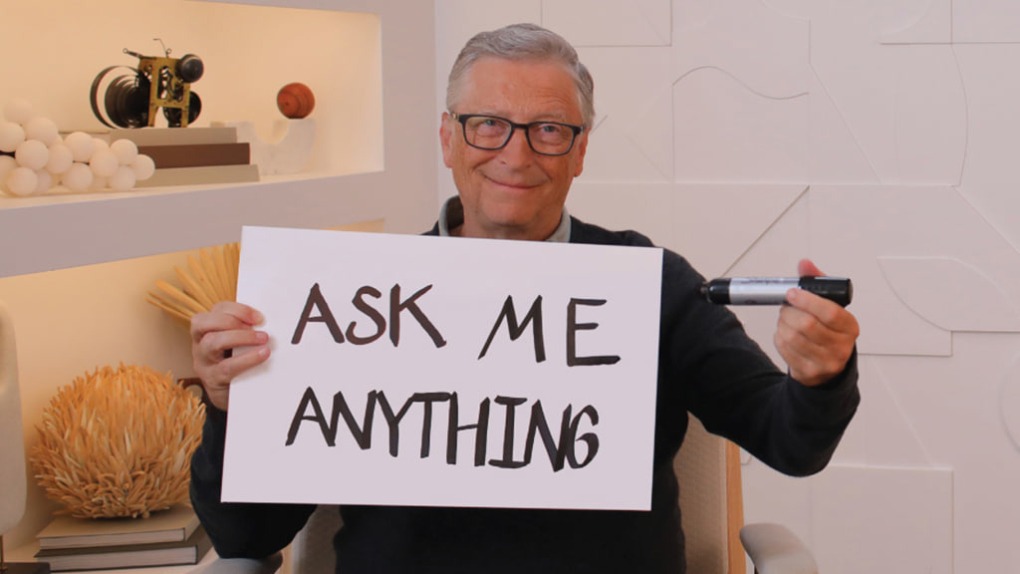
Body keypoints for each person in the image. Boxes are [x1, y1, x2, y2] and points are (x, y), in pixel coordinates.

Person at [189, 23, 860, 574]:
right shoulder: (352, 302)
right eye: (488, 124)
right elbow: (246, 536)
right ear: (447, 138)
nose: (515, 155)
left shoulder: (648, 284)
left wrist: (818, 376)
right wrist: (230, 407)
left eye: (548, 129)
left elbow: (788, 442)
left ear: (580, 151)